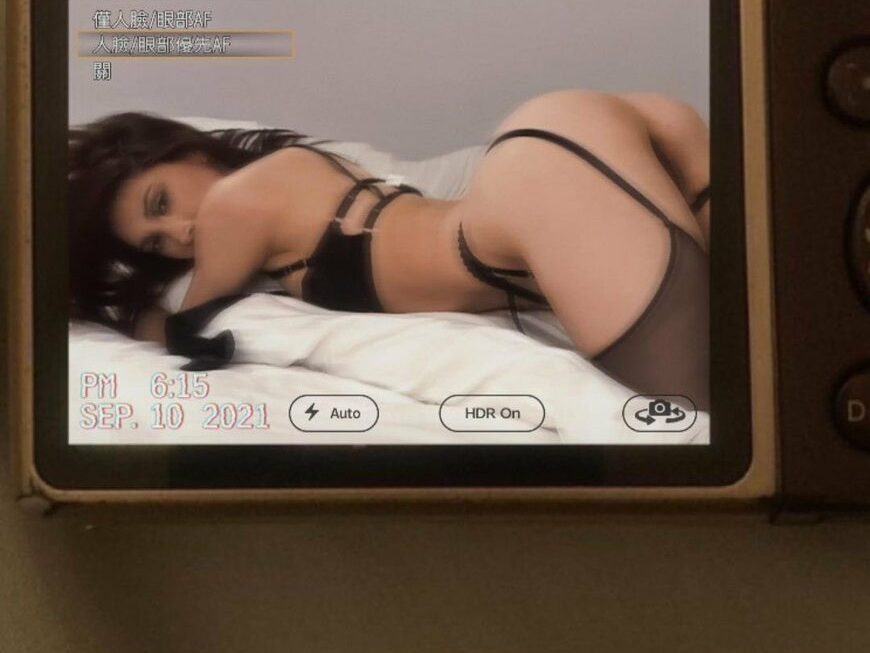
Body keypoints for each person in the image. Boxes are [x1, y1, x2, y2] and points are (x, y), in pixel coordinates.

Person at [69, 90, 711, 407]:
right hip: (579, 139)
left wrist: (122, 310)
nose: (182, 232)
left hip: (528, 189)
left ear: (187, 151)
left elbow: (187, 328)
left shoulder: (236, 205)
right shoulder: (294, 168)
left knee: (683, 418)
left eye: (161, 202)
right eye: (157, 241)